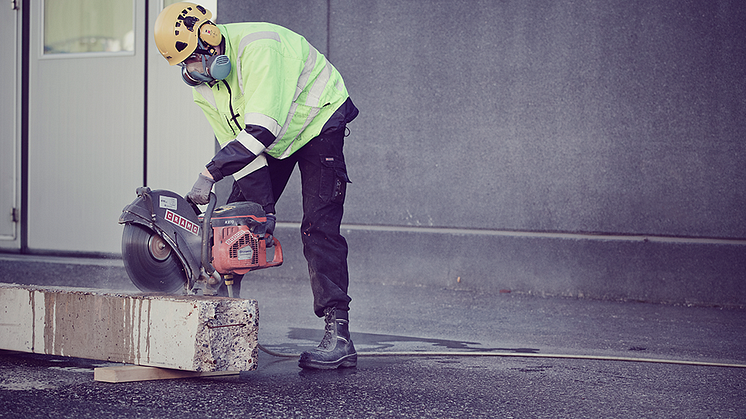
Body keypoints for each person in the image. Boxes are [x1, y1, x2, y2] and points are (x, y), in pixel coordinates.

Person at [154, 2, 358, 370]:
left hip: (317, 121)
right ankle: (218, 322)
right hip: (271, 137)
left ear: (210, 38)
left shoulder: (260, 47)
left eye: (194, 60)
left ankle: (339, 335)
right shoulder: (205, 86)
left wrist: (209, 172)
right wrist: (261, 212)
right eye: (185, 66)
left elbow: (260, 131)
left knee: (318, 227)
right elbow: (244, 151)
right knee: (234, 221)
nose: (192, 72)